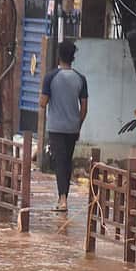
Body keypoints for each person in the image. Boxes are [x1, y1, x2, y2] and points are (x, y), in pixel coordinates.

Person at [40, 41, 88, 211]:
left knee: (60, 162)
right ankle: (64, 197)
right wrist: (78, 124)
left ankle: (62, 200)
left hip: (56, 128)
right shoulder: (80, 79)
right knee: (66, 161)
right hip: (72, 128)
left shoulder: (50, 77)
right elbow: (84, 108)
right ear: (72, 57)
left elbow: (42, 103)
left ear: (59, 56)